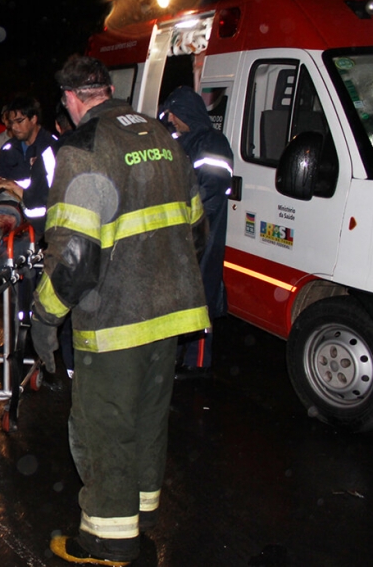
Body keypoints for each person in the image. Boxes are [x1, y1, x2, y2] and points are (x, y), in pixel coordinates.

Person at [32, 56, 209, 565]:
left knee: (105, 423)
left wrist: (45, 319)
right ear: (109, 89)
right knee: (149, 415)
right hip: (171, 310)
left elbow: (75, 256)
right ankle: (143, 509)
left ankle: (108, 538)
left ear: (70, 100)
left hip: (115, 317)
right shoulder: (162, 136)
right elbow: (196, 228)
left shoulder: (85, 148)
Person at [159, 85, 234, 380]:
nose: (172, 121)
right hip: (184, 232)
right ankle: (181, 354)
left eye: (175, 115)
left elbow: (211, 192)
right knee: (185, 297)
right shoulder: (185, 141)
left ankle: (197, 362)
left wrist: (189, 222)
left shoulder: (212, 142)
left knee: (201, 293)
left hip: (203, 232)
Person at [0, 96, 61, 237]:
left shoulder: (51, 148)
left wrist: (15, 187)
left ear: (34, 119)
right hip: (11, 211)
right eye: (11, 123)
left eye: (19, 121)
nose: (14, 127)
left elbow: (55, 192)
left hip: (44, 223)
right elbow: (1, 180)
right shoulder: (8, 148)